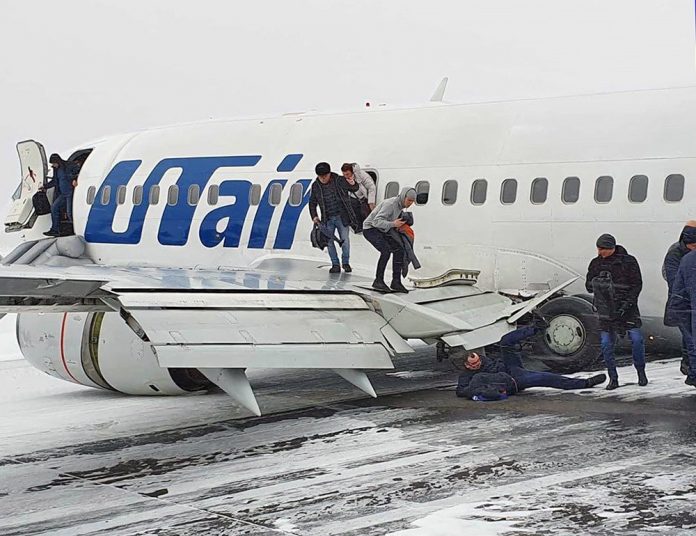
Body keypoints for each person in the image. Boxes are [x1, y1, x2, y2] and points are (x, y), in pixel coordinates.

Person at [456, 326, 606, 400]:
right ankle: (584, 383)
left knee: (505, 342)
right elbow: (462, 391)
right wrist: (484, 389)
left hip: (510, 368)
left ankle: (536, 327)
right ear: (467, 366)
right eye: (474, 365)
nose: (478, 364)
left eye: (478, 361)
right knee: (545, 378)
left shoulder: (484, 361)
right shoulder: (467, 376)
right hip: (513, 381)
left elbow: (496, 362)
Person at [585, 233, 646, 390]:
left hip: (627, 309)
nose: (599, 253)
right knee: (606, 345)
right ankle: (613, 378)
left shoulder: (629, 261)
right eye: (598, 249)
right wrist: (597, 283)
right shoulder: (595, 263)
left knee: (637, 341)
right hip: (605, 310)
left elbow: (637, 284)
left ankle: (641, 372)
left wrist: (627, 304)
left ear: (611, 248)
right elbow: (588, 286)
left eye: (602, 249)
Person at [308, 162, 359, 273]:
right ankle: (335, 264)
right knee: (329, 242)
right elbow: (312, 202)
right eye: (320, 177)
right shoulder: (316, 186)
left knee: (345, 241)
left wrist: (352, 182)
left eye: (325, 176)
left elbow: (354, 188)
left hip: (342, 217)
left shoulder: (339, 180)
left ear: (329, 173)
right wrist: (314, 216)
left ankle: (345, 263)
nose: (323, 179)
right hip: (327, 218)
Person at [362, 187, 416, 293]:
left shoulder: (400, 206)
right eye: (409, 200)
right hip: (370, 229)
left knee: (399, 249)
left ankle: (396, 281)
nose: (410, 203)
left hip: (382, 229)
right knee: (385, 251)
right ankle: (378, 280)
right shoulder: (390, 205)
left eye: (412, 201)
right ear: (403, 197)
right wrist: (393, 224)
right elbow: (376, 222)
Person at [662, 222, 696, 375]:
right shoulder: (675, 254)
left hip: (688, 304)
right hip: (683, 305)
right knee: (690, 339)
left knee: (690, 339)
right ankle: (691, 369)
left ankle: (688, 366)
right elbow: (674, 282)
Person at [666, 248, 696, 387]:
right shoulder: (685, 258)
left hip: (687, 311)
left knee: (692, 343)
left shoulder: (687, 259)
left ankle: (693, 373)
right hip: (687, 310)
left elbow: (677, 288)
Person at [42, 153, 79, 237]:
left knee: (70, 213)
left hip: (71, 193)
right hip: (63, 194)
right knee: (54, 208)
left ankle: (76, 230)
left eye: (54, 163)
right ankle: (55, 230)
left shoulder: (69, 165)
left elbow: (79, 171)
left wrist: (75, 179)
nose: (53, 165)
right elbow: (55, 181)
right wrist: (45, 186)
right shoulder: (56, 170)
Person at [341, 163, 376, 230]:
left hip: (363, 199)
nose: (346, 176)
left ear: (352, 172)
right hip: (352, 199)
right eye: (344, 174)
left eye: (347, 174)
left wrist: (371, 202)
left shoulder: (362, 175)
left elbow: (371, 187)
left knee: (366, 214)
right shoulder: (343, 180)